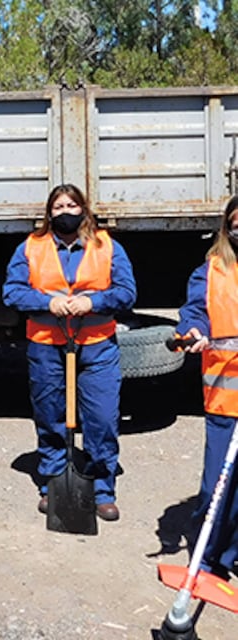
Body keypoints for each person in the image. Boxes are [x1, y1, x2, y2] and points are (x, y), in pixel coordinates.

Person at [2, 183, 136, 521]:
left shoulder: (107, 246)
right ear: (49, 213)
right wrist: (48, 301)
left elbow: (126, 292)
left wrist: (94, 301)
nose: (65, 212)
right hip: (47, 343)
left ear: (84, 209)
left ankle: (102, 487)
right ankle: (53, 483)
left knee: (102, 419)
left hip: (97, 346)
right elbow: (12, 292)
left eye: (72, 205)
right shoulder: (30, 248)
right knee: (50, 416)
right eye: (59, 207)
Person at [173, 194, 238, 579]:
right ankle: (208, 558)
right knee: (219, 484)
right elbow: (195, 311)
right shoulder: (212, 270)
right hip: (226, 395)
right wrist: (192, 330)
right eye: (236, 220)